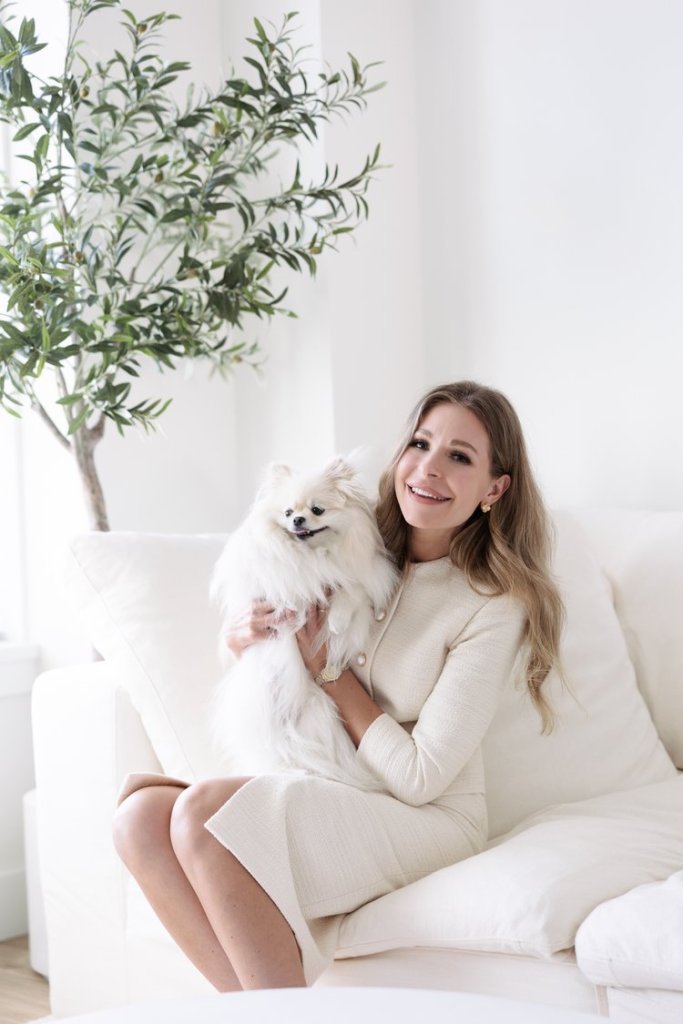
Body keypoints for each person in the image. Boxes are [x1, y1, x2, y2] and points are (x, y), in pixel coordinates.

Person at [113, 379, 564, 992]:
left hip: (426, 815)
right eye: (421, 443)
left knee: (204, 813)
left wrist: (330, 672)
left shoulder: (490, 604)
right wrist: (240, 638)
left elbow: (421, 777)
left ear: (494, 489)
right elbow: (277, 649)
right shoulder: (349, 539)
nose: (430, 468)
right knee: (139, 819)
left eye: (459, 456)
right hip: (330, 777)